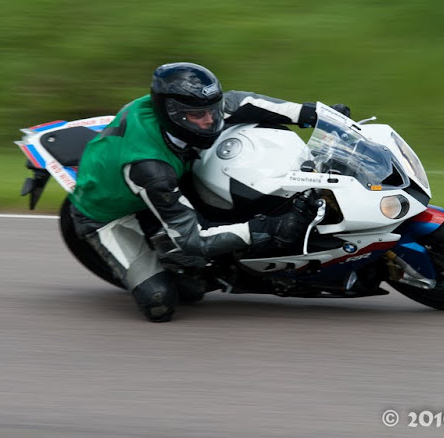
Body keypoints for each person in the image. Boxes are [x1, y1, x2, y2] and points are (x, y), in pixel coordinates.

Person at [69, 62, 350, 322]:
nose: (209, 120)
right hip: (109, 215)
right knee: (162, 302)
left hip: (162, 177)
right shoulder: (151, 169)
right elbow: (193, 241)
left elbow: (242, 102)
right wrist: (266, 228)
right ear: (171, 113)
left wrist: (314, 114)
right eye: (198, 115)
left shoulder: (190, 108)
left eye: (212, 110)